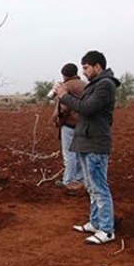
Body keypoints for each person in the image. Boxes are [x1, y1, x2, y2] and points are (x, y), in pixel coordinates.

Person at [55, 50, 120, 245]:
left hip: (95, 142)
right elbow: (84, 106)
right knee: (91, 187)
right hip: (86, 141)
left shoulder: (105, 86)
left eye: (86, 67)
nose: (83, 72)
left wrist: (64, 96)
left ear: (97, 66)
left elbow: (86, 108)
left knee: (99, 187)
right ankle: (95, 222)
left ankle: (107, 230)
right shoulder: (95, 85)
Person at [51, 63, 86, 191]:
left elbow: (64, 107)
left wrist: (58, 118)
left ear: (64, 75)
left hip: (70, 124)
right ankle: (80, 179)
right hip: (83, 125)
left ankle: (68, 181)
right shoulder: (84, 85)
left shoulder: (66, 86)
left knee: (69, 154)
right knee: (80, 153)